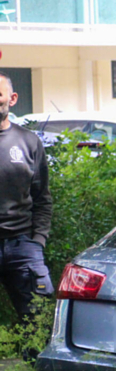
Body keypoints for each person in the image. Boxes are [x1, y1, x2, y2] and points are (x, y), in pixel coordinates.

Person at [0, 71, 53, 322]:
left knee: (38, 321)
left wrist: (38, 240)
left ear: (12, 99)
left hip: (22, 246)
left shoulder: (28, 141)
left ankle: (34, 362)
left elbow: (42, 197)